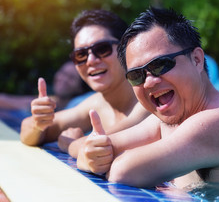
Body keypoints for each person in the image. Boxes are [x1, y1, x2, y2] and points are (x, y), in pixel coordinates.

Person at [76, 7, 219, 193]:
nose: (149, 82)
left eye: (161, 64)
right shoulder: (168, 121)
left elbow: (124, 172)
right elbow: (87, 147)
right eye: (136, 75)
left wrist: (97, 157)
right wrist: (88, 156)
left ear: (196, 59)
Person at [20, 9, 150, 158]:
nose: (90, 60)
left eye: (102, 49)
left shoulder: (147, 98)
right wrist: (38, 122)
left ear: (126, 47)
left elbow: (99, 146)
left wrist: (70, 144)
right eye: (81, 54)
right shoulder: (96, 104)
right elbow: (26, 131)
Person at [0, 61, 92, 111]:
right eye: (62, 73)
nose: (64, 79)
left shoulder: (78, 107)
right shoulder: (48, 101)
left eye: (71, 77)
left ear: (80, 87)